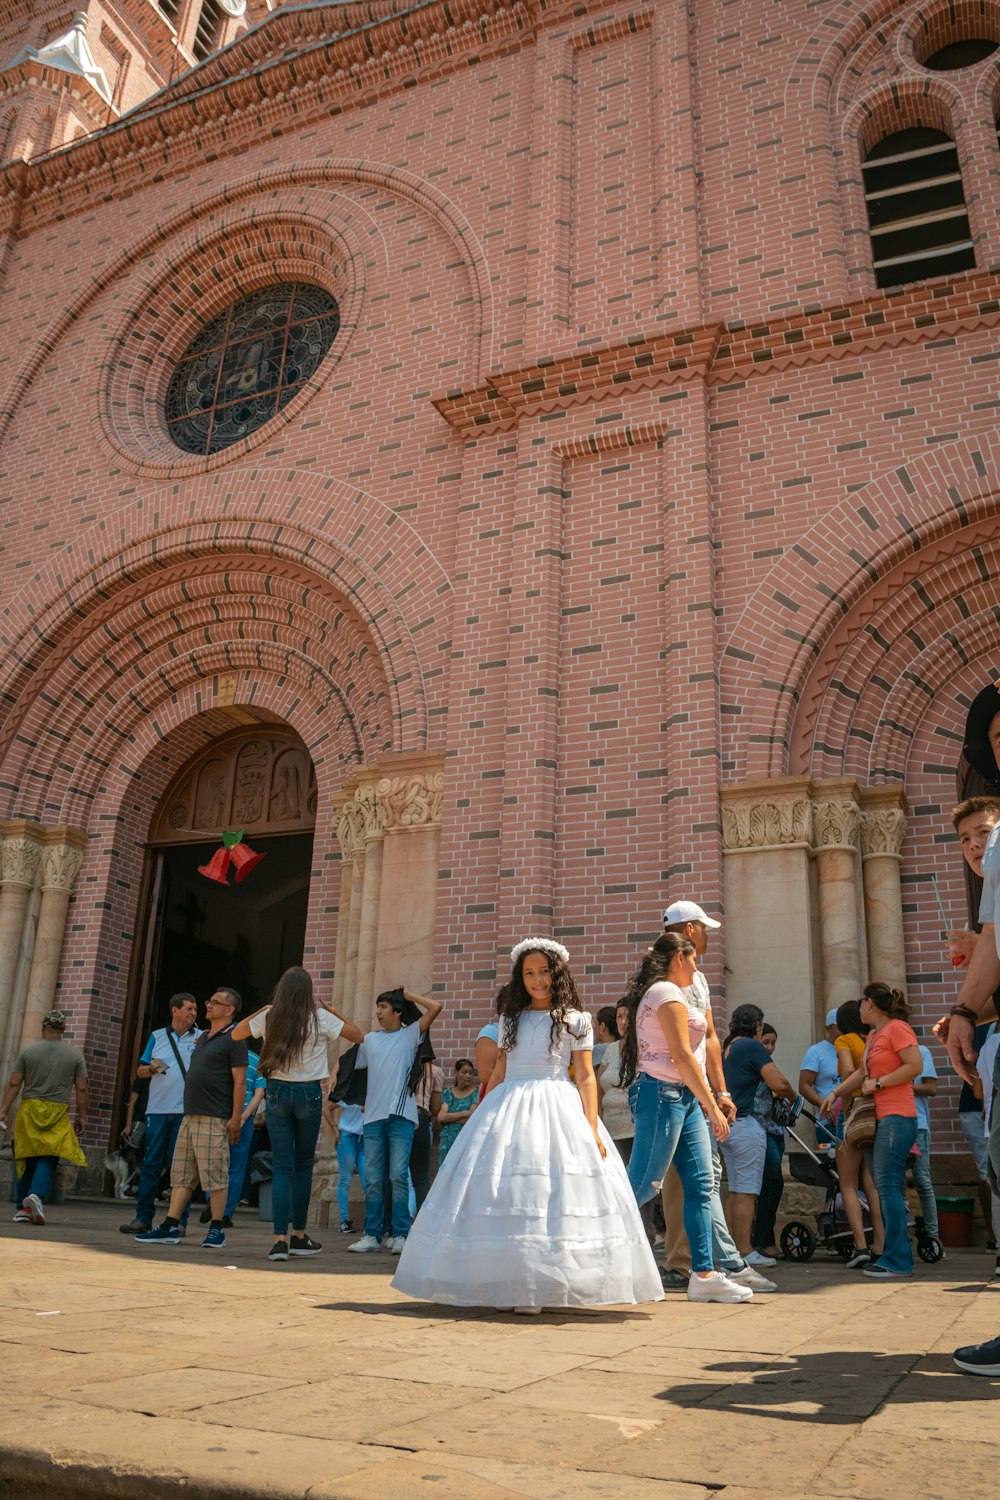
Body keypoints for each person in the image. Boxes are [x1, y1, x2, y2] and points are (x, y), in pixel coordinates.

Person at [392, 938, 662, 1309]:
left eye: (544, 972)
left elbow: (584, 1077)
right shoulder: (509, 1021)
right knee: (508, 1192)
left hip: (558, 1103)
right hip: (509, 1105)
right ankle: (507, 1280)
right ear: (520, 978)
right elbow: (500, 1073)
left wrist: (590, 1125)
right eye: (529, 973)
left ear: (558, 974)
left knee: (549, 1192)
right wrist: (483, 1118)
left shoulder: (576, 1020)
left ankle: (541, 1283)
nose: (537, 980)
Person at [621, 932, 751, 1304]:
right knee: (644, 1183)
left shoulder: (673, 993)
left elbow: (696, 1049)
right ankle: (595, 1255)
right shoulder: (664, 993)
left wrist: (706, 1100)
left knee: (700, 1184)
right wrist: (713, 1105)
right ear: (679, 956)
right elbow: (681, 1054)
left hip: (685, 1098)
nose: (697, 966)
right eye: (693, 959)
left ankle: (705, 1275)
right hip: (662, 1095)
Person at [234, 966, 363, 1261]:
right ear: (307, 992)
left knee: (281, 1167)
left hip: (277, 1091)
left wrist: (264, 1009)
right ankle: (299, 1236)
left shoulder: (271, 1016)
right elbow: (359, 1037)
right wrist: (335, 1012)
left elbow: (237, 1033)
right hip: (307, 1093)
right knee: (304, 1166)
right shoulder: (320, 1018)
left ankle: (279, 1240)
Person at [135, 987, 247, 1250]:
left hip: (214, 1116)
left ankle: (217, 1229)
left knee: (215, 1176)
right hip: (190, 1115)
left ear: (229, 1010)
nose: (207, 1006)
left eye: (215, 1003)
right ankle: (170, 1225)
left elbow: (240, 1081)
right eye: (209, 1001)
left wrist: (235, 1118)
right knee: (181, 1176)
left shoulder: (235, 1039)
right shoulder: (205, 1037)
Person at [824, 982, 922, 1279]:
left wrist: (880, 1084)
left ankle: (898, 1260)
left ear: (871, 1004)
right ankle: (892, 1256)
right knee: (885, 1187)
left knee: (889, 1187)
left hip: (896, 1115)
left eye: (861, 1001)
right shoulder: (875, 1035)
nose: (859, 1007)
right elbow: (862, 1072)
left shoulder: (897, 1029)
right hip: (879, 1119)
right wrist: (836, 1093)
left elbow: (914, 1065)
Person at [348, 985, 443, 1255]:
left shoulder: (410, 1034)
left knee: (398, 1176)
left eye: (383, 1007)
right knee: (374, 1179)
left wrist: (409, 996)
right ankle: (373, 1234)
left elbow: (435, 1008)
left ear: (397, 1011)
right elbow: (353, 1066)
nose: (378, 1012)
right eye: (377, 1007)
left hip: (402, 1116)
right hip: (373, 1118)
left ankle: (401, 1233)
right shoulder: (369, 1040)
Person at [719, 1004, 795, 1262]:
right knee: (748, 1190)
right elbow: (779, 1083)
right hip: (746, 1122)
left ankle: (730, 1249)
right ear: (758, 1026)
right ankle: (745, 1251)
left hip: (728, 1125)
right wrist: (791, 1095)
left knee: (735, 1189)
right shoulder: (751, 1046)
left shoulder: (727, 1047)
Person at [120, 992, 199, 1234]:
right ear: (174, 1010)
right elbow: (140, 1071)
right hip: (157, 1109)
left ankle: (179, 1221)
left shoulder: (202, 1038)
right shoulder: (157, 1036)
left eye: (195, 1009)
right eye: (189, 1008)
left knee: (181, 1167)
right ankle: (142, 1217)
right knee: (152, 1163)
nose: (193, 1013)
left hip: (186, 1111)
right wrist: (151, 1069)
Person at [1, 1010, 87, 1225]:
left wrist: (3, 1109)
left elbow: (14, 1083)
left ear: (43, 1028)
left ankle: (22, 1207)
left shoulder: (28, 1052)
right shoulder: (75, 1055)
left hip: (30, 1108)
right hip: (57, 1110)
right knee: (49, 1154)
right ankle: (37, 1194)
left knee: (27, 1155)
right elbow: (82, 1088)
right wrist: (82, 1116)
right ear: (63, 1029)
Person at [824, 998, 884, 1268]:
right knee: (872, 1183)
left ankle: (860, 1246)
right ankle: (880, 1244)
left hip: (853, 1114)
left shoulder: (844, 1041)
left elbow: (849, 1071)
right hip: (876, 1112)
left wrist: (842, 1104)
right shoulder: (872, 1037)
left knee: (847, 1183)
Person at [199, 1049, 266, 1227]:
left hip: (219, 1114)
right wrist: (243, 1117)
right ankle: (226, 1214)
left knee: (214, 1162)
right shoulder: (256, 1059)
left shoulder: (220, 1054)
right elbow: (259, 1093)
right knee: (236, 1166)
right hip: (244, 1120)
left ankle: (212, 1204)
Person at [751, 1022, 786, 1263]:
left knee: (774, 1183)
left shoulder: (767, 1064)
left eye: (773, 1043)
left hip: (776, 1130)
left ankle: (764, 1236)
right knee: (771, 1181)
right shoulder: (753, 1064)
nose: (770, 1048)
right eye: (766, 1042)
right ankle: (763, 1239)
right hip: (761, 1130)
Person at [596, 999, 634, 1164]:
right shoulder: (611, 1049)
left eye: (628, 1016)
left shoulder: (644, 1050)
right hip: (609, 1130)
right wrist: (597, 1124)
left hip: (635, 1131)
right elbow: (598, 1090)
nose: (623, 1022)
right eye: (619, 1016)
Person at [798, 1009, 841, 1152]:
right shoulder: (816, 1051)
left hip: (852, 1118)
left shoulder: (853, 1046)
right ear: (828, 1028)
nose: (842, 1028)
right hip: (827, 1121)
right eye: (838, 1025)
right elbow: (804, 1085)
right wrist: (824, 1105)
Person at [911, 1040, 940, 1248]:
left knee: (922, 1181)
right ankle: (901, 1236)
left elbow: (931, 1088)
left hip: (917, 1125)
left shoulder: (921, 1052)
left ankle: (933, 1236)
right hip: (890, 1123)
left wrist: (901, 1084)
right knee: (893, 1185)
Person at [410, 1054, 444, 1210]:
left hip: (399, 1118)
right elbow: (436, 1108)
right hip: (422, 1115)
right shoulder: (435, 1071)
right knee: (422, 1177)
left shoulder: (404, 1064)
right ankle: (421, 1221)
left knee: (398, 1174)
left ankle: (397, 1224)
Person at [331, 1098, 366, 1233]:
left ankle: (371, 1222)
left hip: (364, 1140)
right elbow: (327, 1109)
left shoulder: (371, 1092)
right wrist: (335, 1130)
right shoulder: (348, 1094)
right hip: (347, 1138)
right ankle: (344, 1221)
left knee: (368, 1182)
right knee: (345, 1180)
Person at [437, 1059, 478, 1164]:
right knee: (444, 1173)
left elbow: (471, 1120)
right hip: (446, 1141)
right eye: (464, 1072)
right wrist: (464, 1113)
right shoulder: (448, 1093)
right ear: (456, 1073)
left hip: (466, 1140)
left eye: (470, 1073)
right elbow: (441, 1117)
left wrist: (449, 1118)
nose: (468, 1076)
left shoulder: (476, 1094)